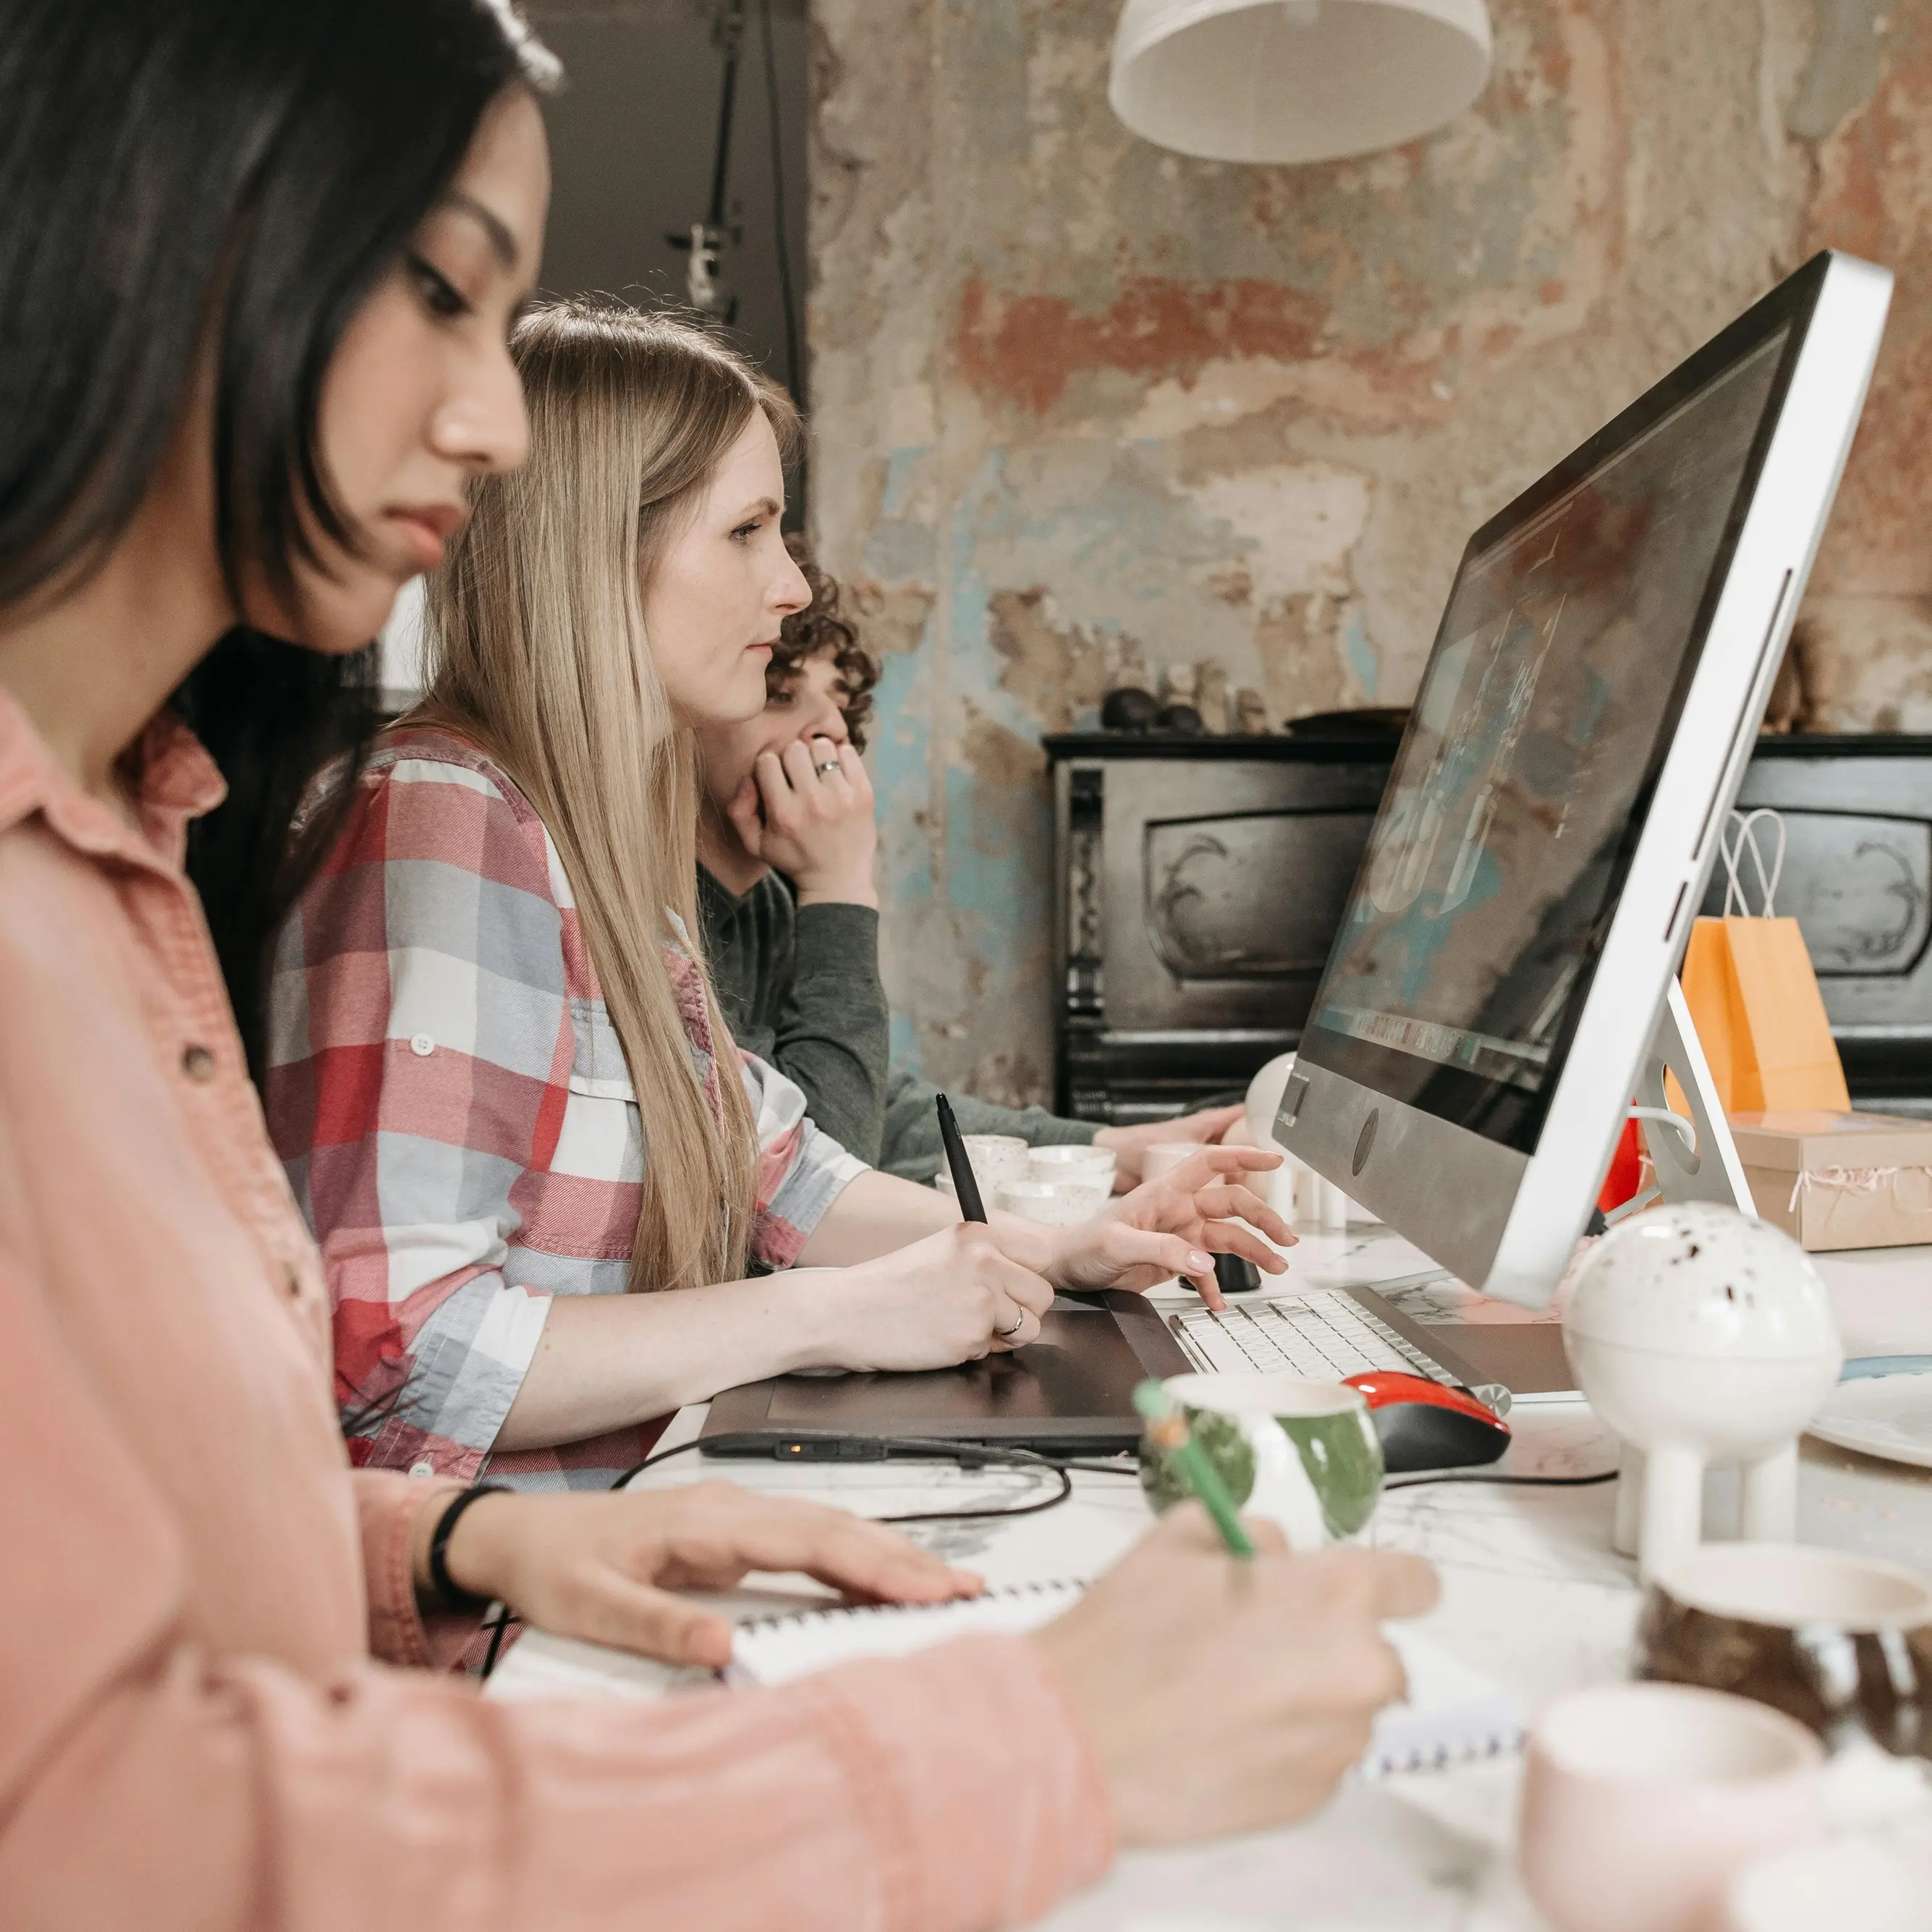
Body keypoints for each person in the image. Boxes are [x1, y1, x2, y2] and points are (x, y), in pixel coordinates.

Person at [0, 3, 1439, 1923]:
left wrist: (462, 1534)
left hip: (473, 1634)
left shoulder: (199, 857)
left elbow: (768, 1158)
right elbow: (109, 1785)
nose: (493, 418)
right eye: (439, 289)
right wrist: (1024, 1716)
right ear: (172, 235)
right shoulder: (440, 820)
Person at [268, 297, 1293, 1490]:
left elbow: (784, 1166)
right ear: (597, 547)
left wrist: (1064, 1248)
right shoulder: (437, 824)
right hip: (511, 1619)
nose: (794, 583)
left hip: (656, 1515)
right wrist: (829, 1315)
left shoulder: (585, 842)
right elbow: (398, 1354)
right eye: (748, 530)